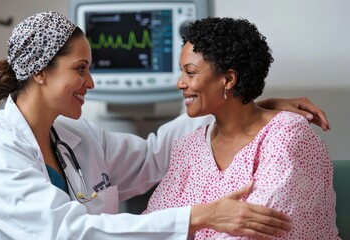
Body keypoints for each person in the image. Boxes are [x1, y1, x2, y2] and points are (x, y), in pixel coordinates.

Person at [0, 11, 330, 239]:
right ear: (41, 72)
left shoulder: (77, 136)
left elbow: (154, 155)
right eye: (80, 69)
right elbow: (69, 232)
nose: (90, 83)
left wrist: (247, 105)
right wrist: (199, 216)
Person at [142, 17, 339, 239]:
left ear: (228, 79)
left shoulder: (288, 134)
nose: (180, 83)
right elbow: (152, 226)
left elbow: (256, 231)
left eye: (190, 72)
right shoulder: (187, 147)